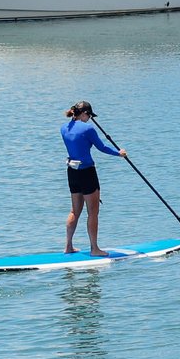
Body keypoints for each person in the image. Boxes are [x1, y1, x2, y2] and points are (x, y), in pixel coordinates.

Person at [60, 100, 127, 256]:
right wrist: (119, 153)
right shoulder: (88, 129)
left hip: (72, 171)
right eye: (89, 116)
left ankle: (68, 246)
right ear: (85, 114)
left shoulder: (64, 128)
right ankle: (95, 249)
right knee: (93, 212)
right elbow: (102, 147)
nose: (89, 119)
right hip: (87, 172)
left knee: (75, 211)